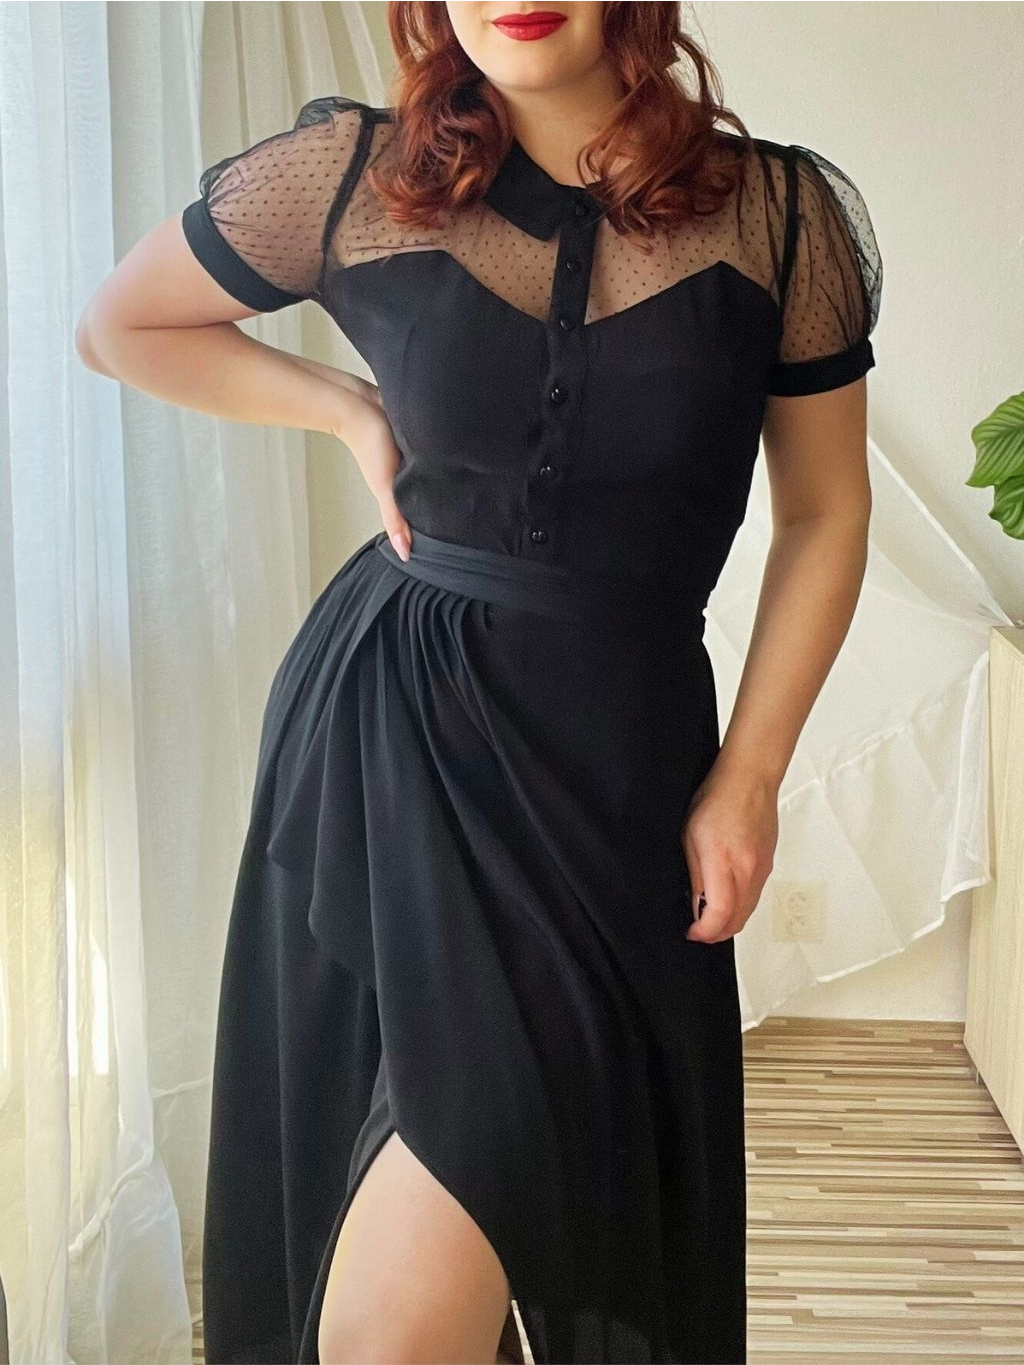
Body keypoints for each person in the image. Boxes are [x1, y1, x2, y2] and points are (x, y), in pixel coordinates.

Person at [75, 2, 883, 1361]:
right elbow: (122, 324)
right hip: (393, 748)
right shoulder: (355, 173)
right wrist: (343, 408)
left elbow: (827, 514)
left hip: (619, 776)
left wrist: (750, 776)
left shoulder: (779, 218)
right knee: (397, 1304)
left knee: (553, 1185)